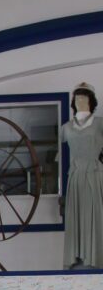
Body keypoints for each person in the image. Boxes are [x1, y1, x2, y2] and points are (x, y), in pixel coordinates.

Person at [61, 83, 103, 268]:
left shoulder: (100, 123)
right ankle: (75, 258)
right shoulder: (66, 127)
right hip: (75, 175)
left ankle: (95, 257)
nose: (80, 101)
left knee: (95, 214)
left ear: (91, 101)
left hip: (95, 174)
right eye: (77, 98)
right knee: (75, 216)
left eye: (84, 98)